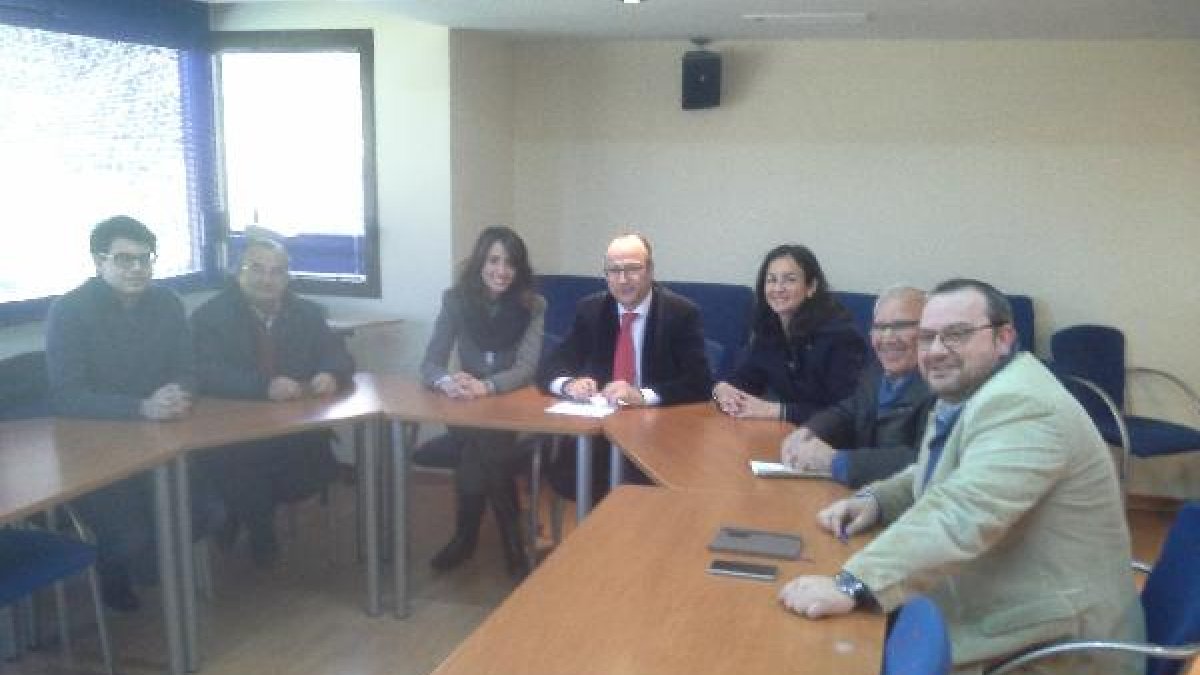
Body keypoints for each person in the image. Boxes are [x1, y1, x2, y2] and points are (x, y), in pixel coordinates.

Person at [778, 279, 1144, 674]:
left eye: (956, 334)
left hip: (1058, 647)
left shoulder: (1024, 406)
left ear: (1004, 338)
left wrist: (851, 583)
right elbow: (944, 474)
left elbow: (960, 512)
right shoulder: (975, 391)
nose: (936, 351)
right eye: (927, 337)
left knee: (827, 655)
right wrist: (878, 500)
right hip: (1005, 603)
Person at [45, 215, 196, 610]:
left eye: (145, 259)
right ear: (99, 262)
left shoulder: (166, 303)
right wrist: (141, 407)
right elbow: (67, 396)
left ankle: (151, 566)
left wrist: (178, 393)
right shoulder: (70, 311)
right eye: (124, 259)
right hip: (94, 446)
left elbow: (188, 367)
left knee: (206, 511)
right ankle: (114, 572)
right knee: (129, 535)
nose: (137, 269)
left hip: (159, 436)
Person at [190, 234, 354, 567]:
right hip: (233, 432)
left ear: (287, 277)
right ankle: (259, 529)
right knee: (242, 469)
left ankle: (246, 517)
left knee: (307, 469)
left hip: (296, 430)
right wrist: (263, 387)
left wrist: (331, 374)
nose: (267, 279)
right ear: (238, 271)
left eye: (277, 271)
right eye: (257, 269)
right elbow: (204, 372)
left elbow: (339, 355)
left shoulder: (307, 313)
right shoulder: (209, 317)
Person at [538, 232, 712, 499]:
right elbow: (549, 367)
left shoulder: (680, 313)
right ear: (606, 275)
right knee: (568, 475)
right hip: (602, 432)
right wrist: (569, 384)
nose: (623, 279)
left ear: (650, 270)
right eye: (614, 270)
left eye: (632, 269)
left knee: (642, 491)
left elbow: (699, 383)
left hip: (658, 433)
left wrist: (642, 395)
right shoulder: (591, 310)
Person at [419, 226, 545, 579]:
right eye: (493, 260)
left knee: (483, 448)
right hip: (465, 410)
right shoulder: (456, 301)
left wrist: (486, 387)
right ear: (480, 263)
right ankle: (512, 546)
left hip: (510, 409)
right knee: (486, 447)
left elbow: (526, 368)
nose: (501, 271)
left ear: (519, 269)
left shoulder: (533, 305)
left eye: (510, 263)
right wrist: (448, 382)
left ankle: (466, 537)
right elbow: (430, 363)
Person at [779, 286, 933, 488]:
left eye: (900, 326)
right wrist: (809, 431)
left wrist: (835, 461)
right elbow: (849, 411)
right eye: (879, 327)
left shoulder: (941, 387)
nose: (887, 337)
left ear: (929, 331)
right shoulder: (876, 372)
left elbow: (925, 461)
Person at [712, 244, 866, 425]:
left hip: (829, 437)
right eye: (771, 280)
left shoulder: (840, 336)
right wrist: (722, 390)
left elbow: (845, 411)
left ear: (811, 287)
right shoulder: (769, 331)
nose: (778, 288)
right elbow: (746, 380)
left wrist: (776, 410)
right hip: (790, 431)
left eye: (789, 280)